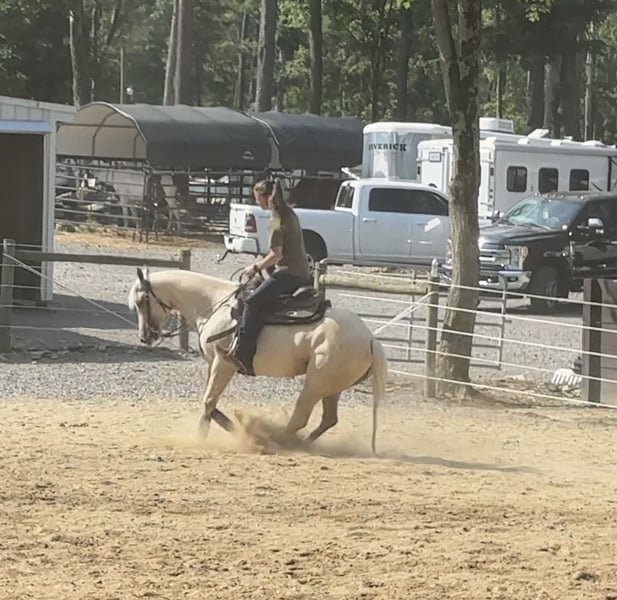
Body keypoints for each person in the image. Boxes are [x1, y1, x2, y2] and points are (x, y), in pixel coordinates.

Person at [226, 178, 311, 375]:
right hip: (300, 271)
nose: (257, 202)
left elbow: (276, 254)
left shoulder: (276, 221)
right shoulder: (289, 214)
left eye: (257, 199)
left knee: (252, 302)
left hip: (289, 273)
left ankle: (242, 355)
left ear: (266, 198)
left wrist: (255, 267)